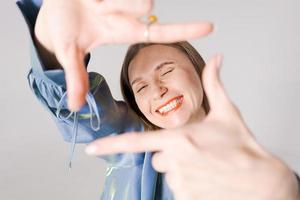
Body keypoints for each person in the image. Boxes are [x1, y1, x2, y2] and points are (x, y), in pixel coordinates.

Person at [16, 0, 300, 199]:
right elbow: (86, 110)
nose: (156, 90)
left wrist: (285, 195)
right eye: (140, 88)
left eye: (166, 71)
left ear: (199, 71)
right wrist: (53, 49)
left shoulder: (248, 166)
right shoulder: (132, 146)